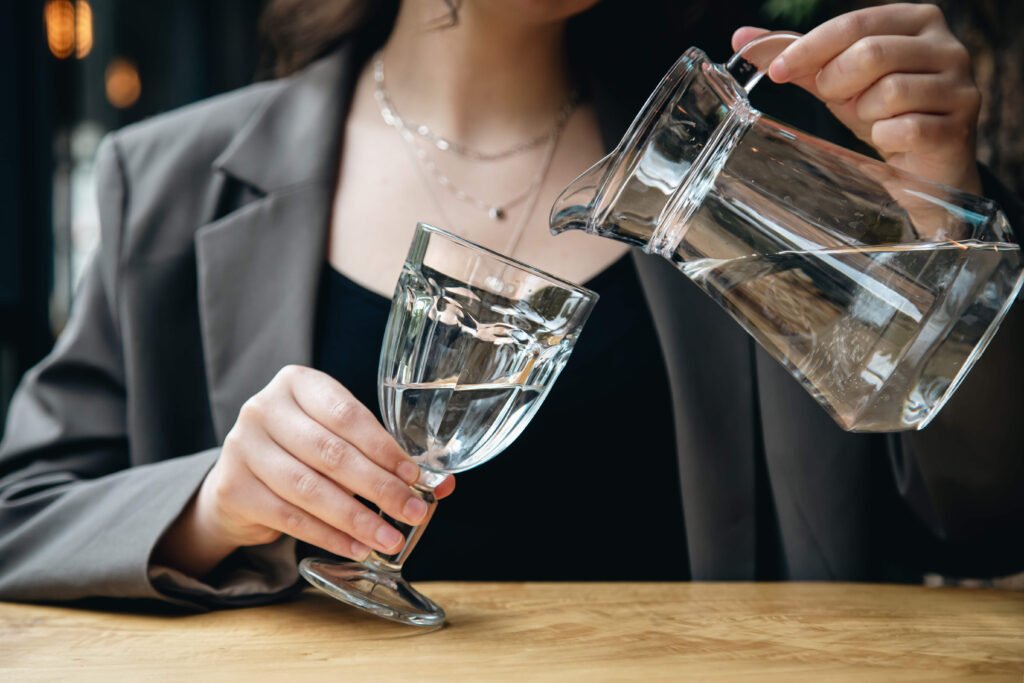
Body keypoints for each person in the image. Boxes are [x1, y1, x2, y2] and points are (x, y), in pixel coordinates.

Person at [1, 0, 1021, 610]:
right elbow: (23, 520)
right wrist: (213, 504)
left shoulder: (760, 164)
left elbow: (980, 522)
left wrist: (939, 231)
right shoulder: (168, 178)